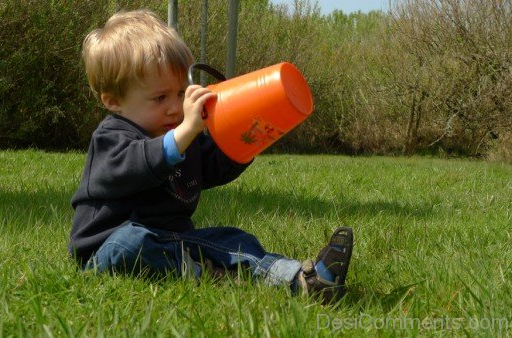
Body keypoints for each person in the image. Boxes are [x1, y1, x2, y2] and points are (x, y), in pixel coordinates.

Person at [68, 9, 353, 303]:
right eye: (160, 98)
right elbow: (137, 165)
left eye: (181, 93)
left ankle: (304, 280)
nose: (175, 107)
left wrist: (249, 136)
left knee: (231, 240)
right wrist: (186, 131)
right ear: (114, 101)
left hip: (175, 241)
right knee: (130, 243)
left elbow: (215, 167)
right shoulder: (112, 138)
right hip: (106, 251)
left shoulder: (182, 135)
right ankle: (210, 274)